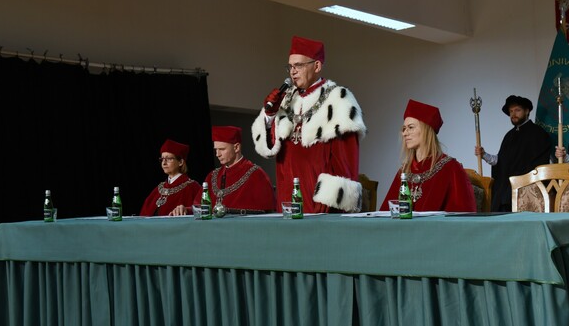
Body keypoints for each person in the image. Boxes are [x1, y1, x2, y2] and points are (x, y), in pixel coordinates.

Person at [251, 35, 366, 213]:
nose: (293, 71)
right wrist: (270, 115)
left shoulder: (339, 100)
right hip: (287, 199)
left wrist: (327, 205)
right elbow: (270, 148)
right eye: (290, 66)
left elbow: (345, 161)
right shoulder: (286, 99)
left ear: (317, 66)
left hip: (320, 204)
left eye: (299, 65)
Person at [380, 99, 476, 212]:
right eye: (404, 129)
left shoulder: (451, 168)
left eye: (410, 127)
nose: (404, 133)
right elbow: (386, 214)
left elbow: (463, 216)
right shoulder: (404, 171)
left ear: (426, 130)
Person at [475, 95, 552, 211]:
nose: (513, 114)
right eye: (511, 111)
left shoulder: (538, 134)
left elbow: (541, 165)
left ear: (527, 111)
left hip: (525, 191)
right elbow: (500, 162)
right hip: (504, 193)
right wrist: (484, 154)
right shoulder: (509, 135)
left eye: (517, 110)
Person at [189, 125, 276, 214]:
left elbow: (266, 212)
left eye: (222, 149)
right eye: (216, 150)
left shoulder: (256, 174)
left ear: (236, 147)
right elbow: (199, 208)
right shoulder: (212, 176)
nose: (217, 154)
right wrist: (185, 209)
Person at [140, 139, 202, 216]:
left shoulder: (192, 187)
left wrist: (187, 210)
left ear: (180, 162)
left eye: (169, 159)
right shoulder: (158, 189)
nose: (164, 163)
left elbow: (203, 209)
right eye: (162, 159)